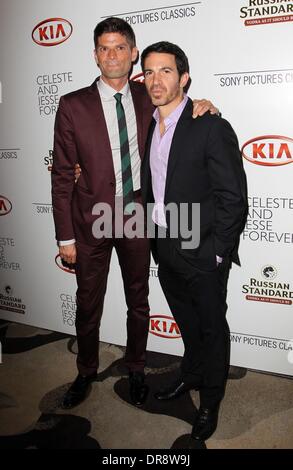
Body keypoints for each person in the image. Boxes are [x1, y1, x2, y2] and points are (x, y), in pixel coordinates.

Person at [51, 17, 217, 410]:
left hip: (136, 216)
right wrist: (65, 237)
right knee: (88, 301)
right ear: (95, 55)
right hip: (90, 219)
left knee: (138, 299)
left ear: (133, 54)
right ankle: (86, 369)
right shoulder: (72, 105)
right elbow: (61, 173)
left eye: (120, 47)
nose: (112, 55)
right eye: (104, 48)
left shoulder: (149, 96)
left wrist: (205, 105)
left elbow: (181, 107)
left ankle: (137, 367)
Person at [140, 42, 247, 443]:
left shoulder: (210, 125)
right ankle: (191, 375)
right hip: (165, 245)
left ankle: (211, 400)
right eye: (148, 72)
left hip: (203, 252)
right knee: (186, 323)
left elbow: (233, 197)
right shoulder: (151, 123)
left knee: (211, 329)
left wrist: (216, 251)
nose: (156, 80)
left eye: (166, 71)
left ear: (183, 78)